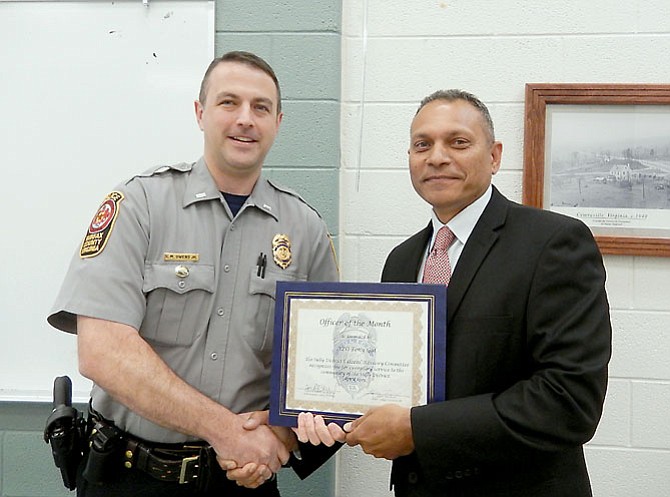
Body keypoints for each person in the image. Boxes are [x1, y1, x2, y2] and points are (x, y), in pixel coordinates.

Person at [47, 51, 339, 496]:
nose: (245, 119)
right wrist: (225, 430)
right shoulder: (140, 205)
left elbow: (322, 370)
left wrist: (278, 437)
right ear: (201, 113)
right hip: (129, 477)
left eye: (261, 107)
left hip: (242, 482)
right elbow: (102, 352)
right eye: (228, 103)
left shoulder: (305, 230)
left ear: (278, 122)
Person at [297, 89, 612, 496]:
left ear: (495, 156)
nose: (437, 157)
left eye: (458, 142)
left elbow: (569, 401)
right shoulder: (402, 260)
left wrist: (417, 430)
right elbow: (385, 386)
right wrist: (319, 420)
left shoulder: (553, 243)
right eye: (422, 145)